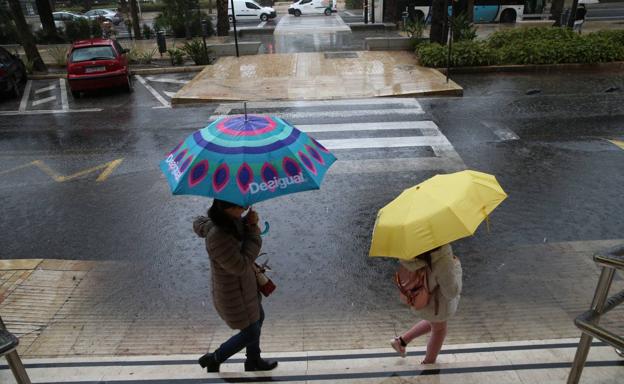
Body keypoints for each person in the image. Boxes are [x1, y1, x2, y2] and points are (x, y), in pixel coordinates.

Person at [193, 199, 278, 373]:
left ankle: (253, 360)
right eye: (241, 206)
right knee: (251, 331)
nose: (245, 208)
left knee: (258, 318)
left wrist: (246, 221)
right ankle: (215, 358)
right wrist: (254, 230)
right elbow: (240, 265)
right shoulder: (218, 237)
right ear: (227, 208)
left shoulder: (230, 222)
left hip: (245, 288)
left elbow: (237, 238)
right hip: (233, 294)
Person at [390, 244, 462, 364]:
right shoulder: (442, 259)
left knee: (434, 323)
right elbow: (451, 291)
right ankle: (428, 363)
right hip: (437, 305)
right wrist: (457, 267)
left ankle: (401, 342)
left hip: (419, 299)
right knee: (439, 331)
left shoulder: (409, 253)